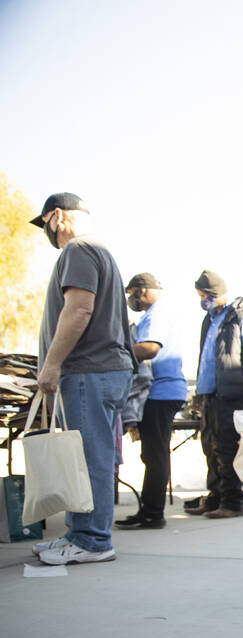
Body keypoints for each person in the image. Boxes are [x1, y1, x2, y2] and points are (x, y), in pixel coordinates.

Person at [29, 192, 135, 565]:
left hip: (90, 370)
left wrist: (52, 365)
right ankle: (79, 534)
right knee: (84, 456)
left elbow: (78, 308)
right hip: (99, 370)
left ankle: (92, 540)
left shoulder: (78, 250)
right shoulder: (97, 251)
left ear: (56, 216)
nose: (48, 232)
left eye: (45, 224)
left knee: (90, 457)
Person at [185, 269, 243, 519]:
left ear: (216, 293)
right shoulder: (209, 319)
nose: (202, 299)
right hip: (210, 394)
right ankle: (215, 497)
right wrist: (200, 391)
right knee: (209, 447)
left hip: (231, 393)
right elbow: (205, 358)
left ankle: (233, 502)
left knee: (227, 447)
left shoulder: (238, 317)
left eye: (204, 295)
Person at [115, 273, 187, 530]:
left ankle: (153, 514)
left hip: (161, 392)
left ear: (141, 290)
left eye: (130, 293)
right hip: (162, 391)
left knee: (155, 455)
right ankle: (148, 510)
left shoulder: (155, 314)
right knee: (152, 454)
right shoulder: (153, 314)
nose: (130, 300)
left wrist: (115, 352)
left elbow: (150, 348)